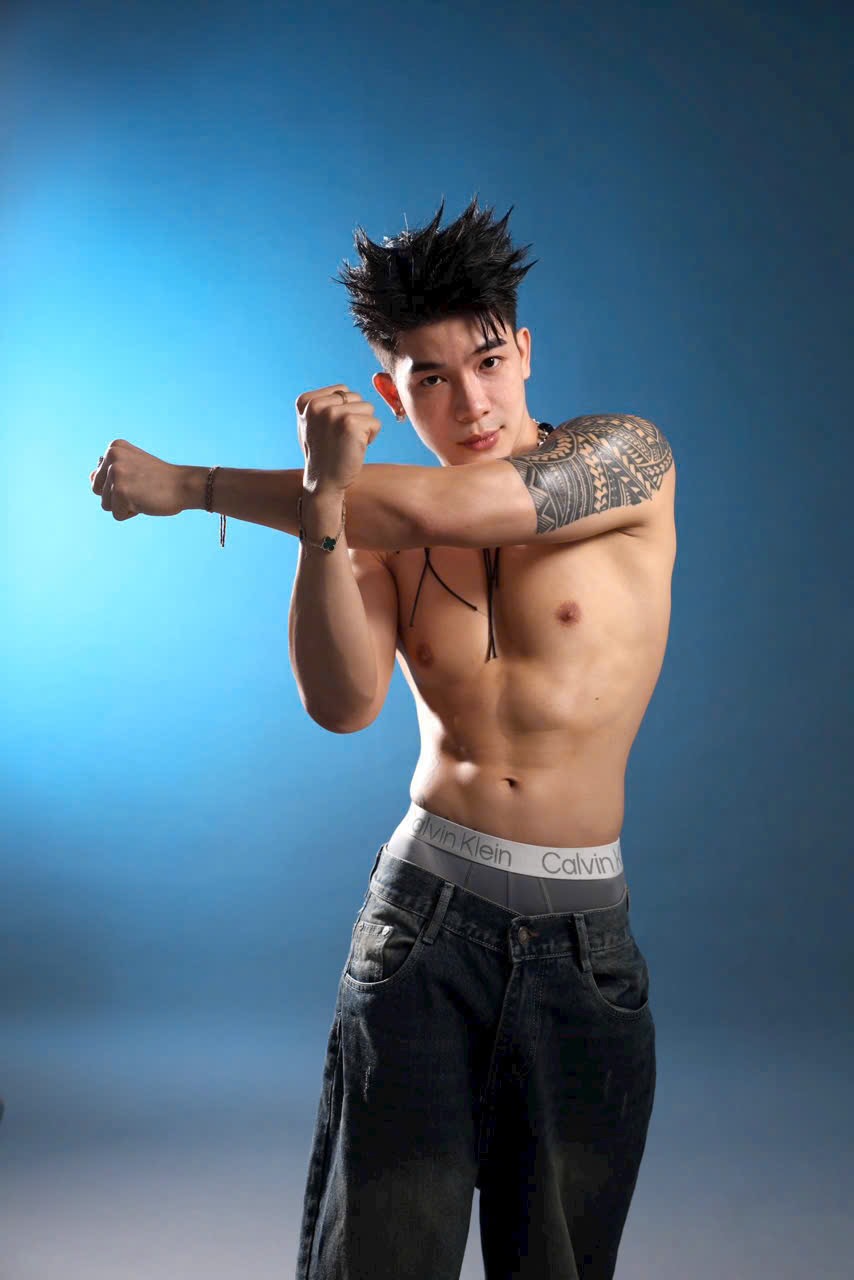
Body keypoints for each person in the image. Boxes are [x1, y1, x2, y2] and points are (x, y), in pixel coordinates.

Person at [90, 194, 676, 1279]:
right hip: (423, 924)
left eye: (489, 362)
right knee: (375, 1260)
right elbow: (342, 702)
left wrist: (190, 487)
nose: (472, 401)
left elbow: (447, 510)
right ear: (390, 393)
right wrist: (322, 506)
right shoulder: (369, 519)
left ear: (525, 351)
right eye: (432, 378)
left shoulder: (626, 458)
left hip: (582, 944)